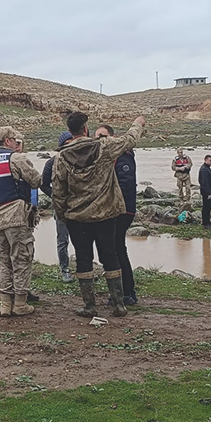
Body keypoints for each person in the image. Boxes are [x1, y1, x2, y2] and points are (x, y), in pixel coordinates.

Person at [52, 112, 146, 318]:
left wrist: (63, 216)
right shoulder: (104, 147)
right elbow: (130, 140)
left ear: (70, 131)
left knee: (84, 261)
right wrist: (137, 123)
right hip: (105, 216)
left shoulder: (61, 157)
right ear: (86, 128)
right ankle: (119, 305)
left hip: (77, 218)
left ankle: (89, 306)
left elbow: (58, 191)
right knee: (110, 257)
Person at [0, 126, 42, 317]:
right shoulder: (16, 158)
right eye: (16, 140)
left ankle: (5, 305)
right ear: (8, 141)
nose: (18, 143)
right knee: (22, 258)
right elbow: (36, 180)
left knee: (3, 260)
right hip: (17, 216)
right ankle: (21, 304)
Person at [95, 124, 138, 306]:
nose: (100, 140)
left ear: (113, 137)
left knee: (117, 250)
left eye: (103, 136)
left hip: (121, 210)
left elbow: (126, 184)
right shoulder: (105, 156)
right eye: (97, 137)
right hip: (111, 210)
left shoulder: (121, 156)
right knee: (114, 250)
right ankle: (122, 291)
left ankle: (126, 292)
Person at [40, 131, 74, 283]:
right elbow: (43, 184)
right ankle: (65, 270)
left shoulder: (80, 160)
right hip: (61, 208)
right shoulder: (51, 163)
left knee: (83, 239)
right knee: (63, 241)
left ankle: (84, 269)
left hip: (80, 206)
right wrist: (56, 196)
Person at [198, 155, 211, 228]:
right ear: (205, 160)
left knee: (208, 207)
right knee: (206, 207)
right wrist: (209, 193)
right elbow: (204, 182)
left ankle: (207, 221)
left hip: (208, 191)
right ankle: (205, 223)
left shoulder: (207, 168)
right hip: (206, 192)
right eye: (210, 160)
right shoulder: (204, 169)